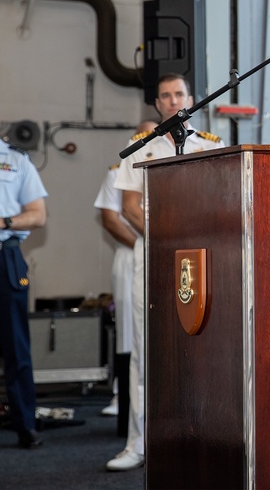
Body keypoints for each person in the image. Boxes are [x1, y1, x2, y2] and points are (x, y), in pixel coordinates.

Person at [107, 74, 224, 472]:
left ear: (191, 99)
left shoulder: (213, 147)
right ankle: (137, 444)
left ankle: (205, 437)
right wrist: (169, 239)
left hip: (202, 263)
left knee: (204, 352)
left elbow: (221, 202)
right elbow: (129, 207)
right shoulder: (140, 148)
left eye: (179, 94)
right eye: (165, 96)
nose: (173, 101)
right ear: (156, 103)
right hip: (153, 258)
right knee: (146, 352)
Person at [0, 100, 48, 449]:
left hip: (3, 258)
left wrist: (2, 222)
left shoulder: (16, 160)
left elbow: (38, 215)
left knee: (15, 347)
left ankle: (26, 425)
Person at [94, 120, 157, 416]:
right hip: (130, 252)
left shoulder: (166, 164)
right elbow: (111, 218)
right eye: (140, 133)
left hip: (158, 251)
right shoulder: (118, 170)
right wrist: (141, 245)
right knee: (127, 330)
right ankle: (122, 396)